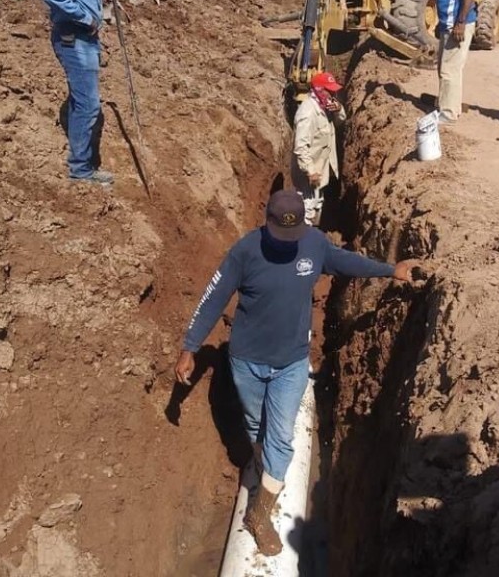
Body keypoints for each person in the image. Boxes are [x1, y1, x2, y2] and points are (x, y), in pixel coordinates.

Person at [174, 190, 423, 556]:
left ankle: (259, 515)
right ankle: (263, 469)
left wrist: (391, 270)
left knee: (282, 436)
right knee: (255, 424)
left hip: (291, 363)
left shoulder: (313, 243)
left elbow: (346, 262)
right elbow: (214, 297)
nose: (289, 243)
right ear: (267, 221)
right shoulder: (245, 251)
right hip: (246, 360)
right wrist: (190, 348)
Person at [43, 0, 114, 185]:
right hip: (74, 38)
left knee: (82, 100)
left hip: (85, 38)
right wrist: (86, 17)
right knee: (88, 105)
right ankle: (80, 171)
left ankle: (82, 167)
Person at [291, 72, 346, 226]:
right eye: (330, 90)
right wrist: (310, 171)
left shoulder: (325, 105)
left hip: (320, 168)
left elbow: (340, 123)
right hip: (309, 172)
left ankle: (314, 236)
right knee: (307, 208)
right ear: (319, 90)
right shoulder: (308, 113)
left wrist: (339, 109)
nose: (333, 93)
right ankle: (302, 243)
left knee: (318, 202)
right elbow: (301, 147)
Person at [436, 0, 477, 126]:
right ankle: (446, 105)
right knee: (443, 67)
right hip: (447, 24)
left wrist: (460, 22)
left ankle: (449, 114)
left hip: (456, 25)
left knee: (449, 70)